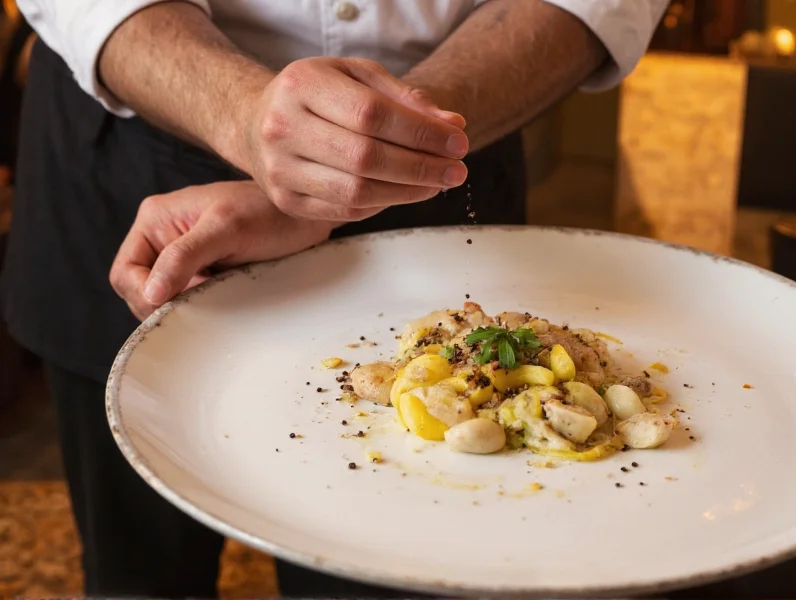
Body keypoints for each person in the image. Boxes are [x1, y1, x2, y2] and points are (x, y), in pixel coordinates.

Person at [0, 0, 670, 596]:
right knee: (137, 576)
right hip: (136, 136)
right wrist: (242, 114)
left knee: (400, 571)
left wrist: (384, 140)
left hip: (454, 136)